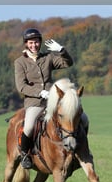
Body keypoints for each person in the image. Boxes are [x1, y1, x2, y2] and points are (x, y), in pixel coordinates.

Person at [14, 28, 74, 169]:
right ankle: (24, 154)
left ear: (40, 43)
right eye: (30, 43)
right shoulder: (20, 62)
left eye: (36, 42)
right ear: (26, 44)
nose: (33, 45)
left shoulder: (48, 57)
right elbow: (21, 86)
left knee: (79, 117)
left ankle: (79, 148)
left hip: (54, 100)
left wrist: (61, 50)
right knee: (29, 126)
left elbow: (68, 63)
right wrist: (40, 92)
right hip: (34, 102)